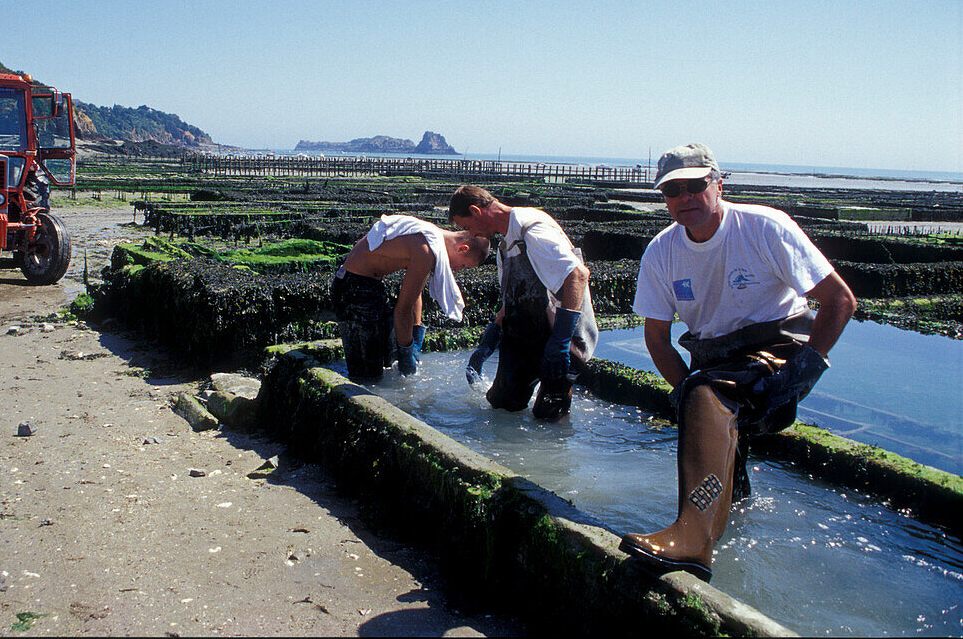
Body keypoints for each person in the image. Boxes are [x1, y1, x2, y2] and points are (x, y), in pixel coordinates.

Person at [620, 144, 857, 582]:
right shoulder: (661, 252)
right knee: (704, 402)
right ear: (664, 198)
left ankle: (692, 541)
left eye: (695, 186)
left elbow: (840, 300)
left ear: (718, 184)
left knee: (706, 392)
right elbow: (657, 338)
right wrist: (686, 396)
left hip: (777, 350)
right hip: (714, 357)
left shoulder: (764, 227)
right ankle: (732, 530)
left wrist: (797, 379)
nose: (685, 197)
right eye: (673, 191)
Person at [449, 185, 598, 421]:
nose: (472, 234)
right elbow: (512, 301)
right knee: (501, 405)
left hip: (562, 339)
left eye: (467, 227)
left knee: (548, 417)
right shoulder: (505, 248)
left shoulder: (532, 228)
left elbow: (578, 275)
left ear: (476, 211)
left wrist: (560, 341)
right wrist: (488, 343)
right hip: (527, 335)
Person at [332, 214, 490, 379]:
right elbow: (402, 311)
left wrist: (415, 337)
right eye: (464, 265)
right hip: (352, 290)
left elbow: (415, 295)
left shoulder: (431, 238)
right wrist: (407, 354)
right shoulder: (426, 249)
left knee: (387, 363)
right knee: (367, 375)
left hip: (369, 288)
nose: (458, 269)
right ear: (463, 248)